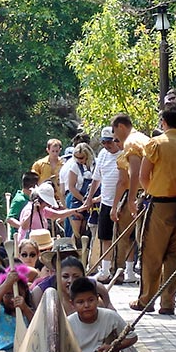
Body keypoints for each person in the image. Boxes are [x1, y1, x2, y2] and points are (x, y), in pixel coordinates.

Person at [130, 102, 176, 315]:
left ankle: (146, 300)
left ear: (164, 121)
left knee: (152, 254)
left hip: (161, 205)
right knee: (175, 255)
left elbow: (143, 176)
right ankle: (168, 302)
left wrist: (153, 192)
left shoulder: (156, 144)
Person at [67, 276, 136, 352]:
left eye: (91, 300)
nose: (86, 305)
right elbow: (64, 349)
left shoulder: (111, 316)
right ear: (72, 304)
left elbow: (132, 337)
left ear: (97, 299)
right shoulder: (68, 323)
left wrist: (112, 347)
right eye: (80, 302)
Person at [111, 113, 148, 283]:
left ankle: (119, 271)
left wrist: (131, 198)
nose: (114, 137)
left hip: (141, 193)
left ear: (121, 126)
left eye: (114, 132)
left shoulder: (131, 142)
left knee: (133, 235)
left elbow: (133, 174)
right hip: (152, 191)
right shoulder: (144, 138)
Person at [85, 126, 123, 283]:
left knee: (124, 237)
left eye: (109, 142)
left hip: (122, 201)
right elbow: (96, 178)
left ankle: (124, 269)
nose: (107, 145)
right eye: (104, 142)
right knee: (104, 236)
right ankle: (105, 270)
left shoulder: (124, 154)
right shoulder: (102, 155)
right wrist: (89, 198)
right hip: (106, 201)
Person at [61, 142, 94, 239]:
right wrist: (84, 200)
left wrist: (91, 199)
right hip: (78, 197)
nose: (79, 160)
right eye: (76, 157)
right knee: (77, 228)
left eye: (81, 158)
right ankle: (77, 243)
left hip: (94, 198)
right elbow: (71, 187)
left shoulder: (95, 164)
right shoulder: (74, 167)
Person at [7, 171, 40, 239]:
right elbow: (10, 219)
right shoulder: (19, 200)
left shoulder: (32, 198)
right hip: (19, 238)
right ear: (33, 187)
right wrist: (23, 227)